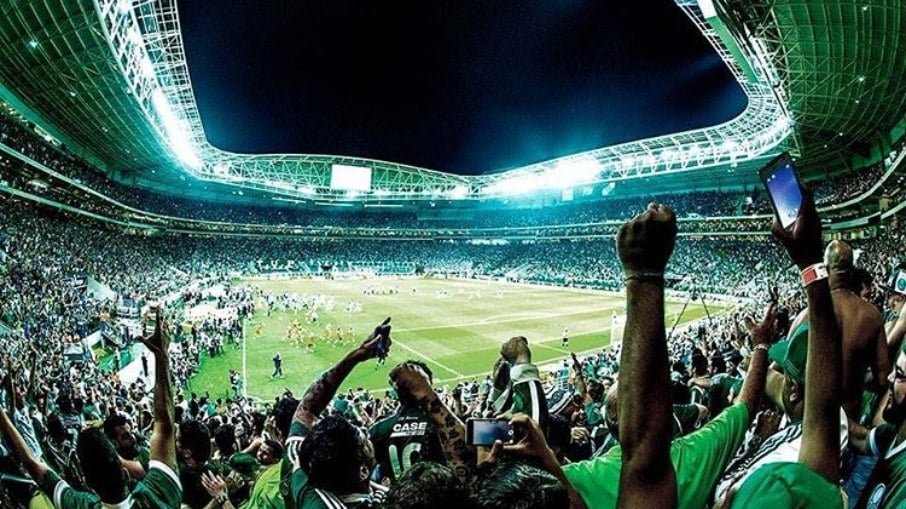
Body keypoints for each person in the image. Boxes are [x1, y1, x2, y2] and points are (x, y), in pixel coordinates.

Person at [558, 203, 778, 509]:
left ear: (611, 425)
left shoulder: (577, 478)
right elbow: (745, 404)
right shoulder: (695, 455)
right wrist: (761, 346)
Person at [721, 187, 846, 507]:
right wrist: (811, 261)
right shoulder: (817, 469)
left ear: (793, 392)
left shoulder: (792, 461)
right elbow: (823, 400)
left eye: (787, 378)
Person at [0, 308, 182, 508]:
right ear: (124, 472)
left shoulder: (81, 505)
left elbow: (34, 467)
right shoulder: (159, 493)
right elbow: (164, 425)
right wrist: (161, 355)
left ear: (88, 483)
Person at [281, 318, 392, 508]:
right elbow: (308, 408)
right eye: (364, 439)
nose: (366, 434)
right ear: (363, 471)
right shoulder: (389, 503)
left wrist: (358, 355)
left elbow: (307, 408)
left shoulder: (298, 468)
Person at [369, 360, 446, 482]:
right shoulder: (445, 426)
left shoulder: (379, 429)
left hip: (399, 497)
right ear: (428, 386)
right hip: (440, 498)